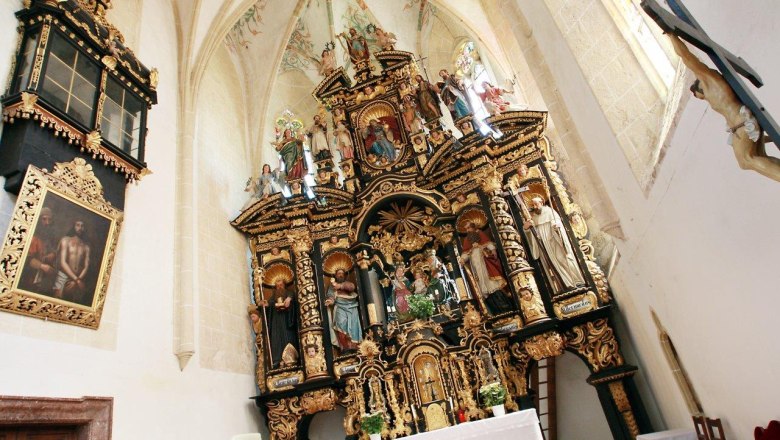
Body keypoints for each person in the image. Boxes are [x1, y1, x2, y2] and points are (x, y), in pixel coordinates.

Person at [669, 34, 780, 182]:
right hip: (742, 123)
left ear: (699, 88)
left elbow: (687, 58)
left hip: (741, 121)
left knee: (746, 160)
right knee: (759, 157)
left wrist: (670, 33)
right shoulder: (715, 84)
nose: (702, 99)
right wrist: (768, 139)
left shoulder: (708, 80)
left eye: (698, 96)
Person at [522, 196, 585, 290]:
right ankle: (565, 285)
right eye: (533, 205)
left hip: (555, 241)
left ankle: (577, 281)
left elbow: (559, 225)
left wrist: (557, 227)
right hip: (545, 246)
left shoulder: (550, 212)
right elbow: (532, 234)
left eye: (536, 204)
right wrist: (526, 228)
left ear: (542, 203)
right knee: (553, 264)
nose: (535, 207)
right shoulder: (534, 217)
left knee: (562, 259)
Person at [459, 221, 513, 314]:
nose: (468, 231)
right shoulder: (467, 239)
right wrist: (463, 259)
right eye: (466, 229)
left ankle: (507, 309)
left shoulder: (480, 233)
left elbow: (489, 244)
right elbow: (465, 253)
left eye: (469, 228)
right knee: (482, 287)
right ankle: (494, 312)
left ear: (473, 227)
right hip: (475, 265)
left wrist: (492, 250)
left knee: (493, 284)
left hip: (486, 263)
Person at [19, 207, 58, 294]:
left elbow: (52, 249)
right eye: (44, 219)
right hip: (30, 275)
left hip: (43, 277)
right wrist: (42, 266)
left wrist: (52, 254)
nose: (47, 223)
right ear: (39, 220)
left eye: (49, 220)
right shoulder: (32, 237)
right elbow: (26, 258)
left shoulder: (48, 236)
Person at [260, 280, 298, 368]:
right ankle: (277, 360)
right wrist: (266, 304)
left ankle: (290, 359)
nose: (279, 287)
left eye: (281, 285)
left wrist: (289, 299)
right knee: (276, 339)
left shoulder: (289, 293)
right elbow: (270, 304)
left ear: (284, 285)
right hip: (276, 322)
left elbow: (292, 297)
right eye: (277, 286)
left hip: (286, 321)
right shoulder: (274, 296)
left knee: (287, 338)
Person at [52, 220, 91, 304]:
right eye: (78, 225)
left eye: (82, 226)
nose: (80, 228)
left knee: (74, 303)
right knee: (56, 302)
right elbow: (63, 262)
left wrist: (78, 280)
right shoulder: (65, 240)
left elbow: (86, 266)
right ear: (74, 226)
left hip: (78, 278)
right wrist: (77, 279)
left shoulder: (86, 247)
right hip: (63, 276)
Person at [325, 269, 362, 352]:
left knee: (353, 327)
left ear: (344, 275)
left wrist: (340, 286)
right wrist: (330, 301)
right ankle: (345, 348)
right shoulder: (332, 286)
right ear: (335, 275)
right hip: (340, 306)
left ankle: (354, 347)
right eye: (338, 273)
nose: (340, 275)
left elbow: (351, 287)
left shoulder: (348, 283)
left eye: (342, 273)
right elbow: (331, 296)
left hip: (352, 307)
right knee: (340, 325)